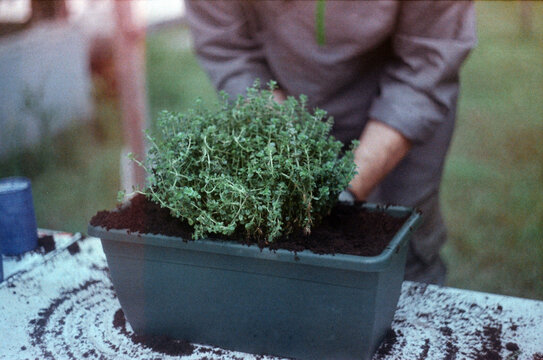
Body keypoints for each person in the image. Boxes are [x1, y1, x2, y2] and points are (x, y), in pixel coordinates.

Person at [185, 0, 477, 285]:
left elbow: (429, 58)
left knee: (399, 251)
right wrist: (286, 151)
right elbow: (229, 49)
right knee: (282, 268)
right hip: (286, 98)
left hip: (401, 116)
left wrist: (344, 192)